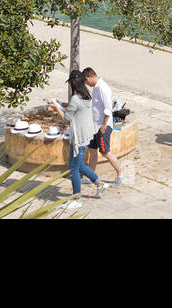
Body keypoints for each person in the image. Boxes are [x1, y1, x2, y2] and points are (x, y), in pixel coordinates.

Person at [50, 69, 104, 211]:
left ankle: (77, 199)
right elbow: (78, 111)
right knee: (80, 165)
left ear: (73, 83)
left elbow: (66, 118)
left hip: (78, 138)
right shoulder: (87, 96)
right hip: (86, 136)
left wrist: (56, 107)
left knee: (73, 169)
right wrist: (65, 106)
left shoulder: (75, 98)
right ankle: (99, 184)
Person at [83, 67, 125, 186]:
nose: (86, 84)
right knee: (92, 150)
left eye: (85, 81)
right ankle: (91, 177)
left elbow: (108, 107)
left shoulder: (102, 87)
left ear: (88, 78)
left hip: (103, 126)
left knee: (105, 151)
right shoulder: (96, 87)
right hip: (95, 126)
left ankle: (120, 174)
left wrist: (104, 125)